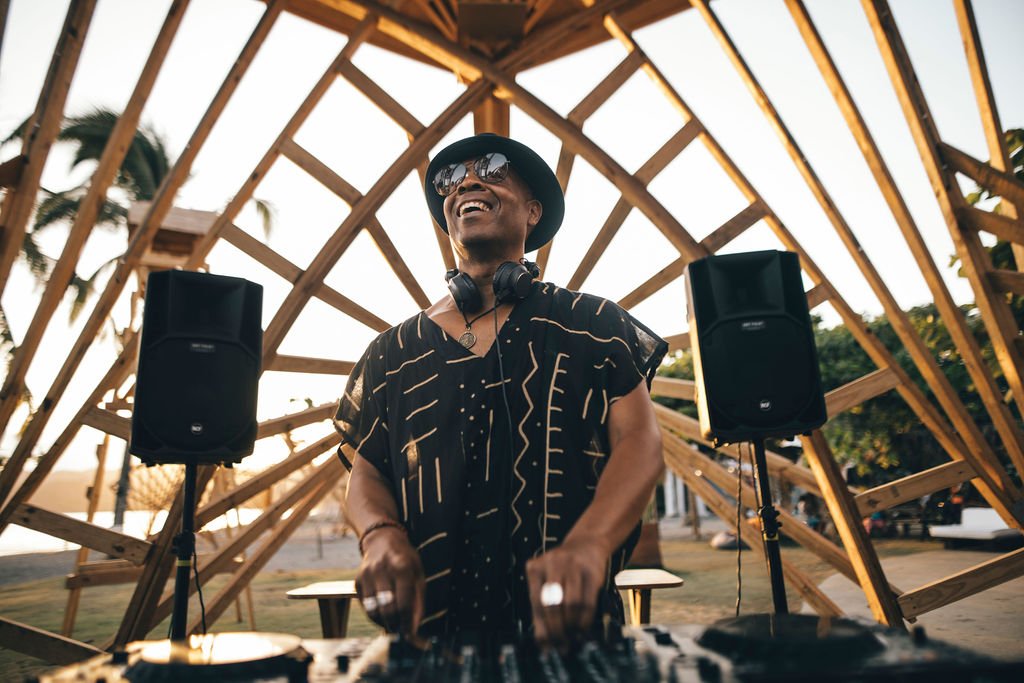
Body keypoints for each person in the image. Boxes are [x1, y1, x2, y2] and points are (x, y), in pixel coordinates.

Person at [335, 133, 667, 650]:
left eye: (492, 169)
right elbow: (367, 469)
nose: (466, 182)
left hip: (571, 637)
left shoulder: (595, 323)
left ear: (533, 212)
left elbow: (639, 442)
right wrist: (380, 537)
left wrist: (589, 543)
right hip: (429, 643)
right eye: (451, 179)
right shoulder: (391, 351)